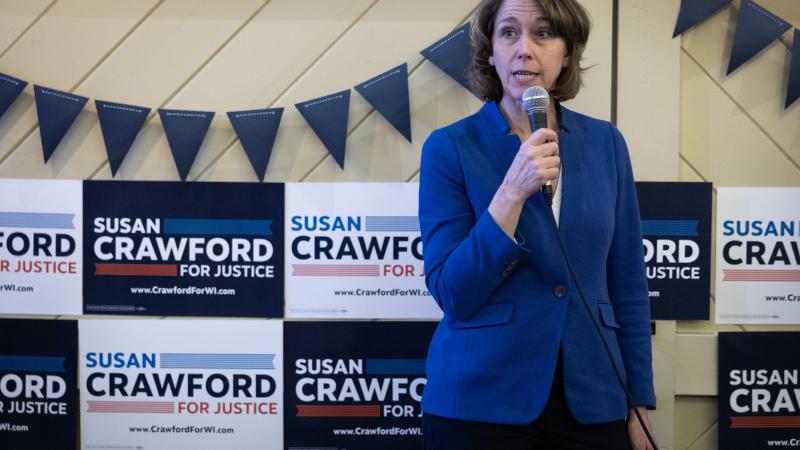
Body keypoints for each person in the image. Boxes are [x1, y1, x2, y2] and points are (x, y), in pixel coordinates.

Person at [417, 0, 657, 449]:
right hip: (480, 403)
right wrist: (510, 192)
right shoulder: (449, 147)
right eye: (509, 33)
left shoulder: (606, 143)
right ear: (490, 51)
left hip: (593, 398)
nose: (524, 49)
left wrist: (639, 401)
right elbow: (453, 292)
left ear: (566, 52)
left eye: (543, 34)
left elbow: (628, 284)